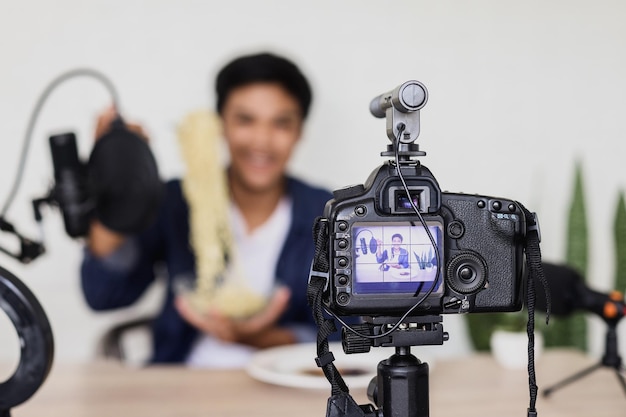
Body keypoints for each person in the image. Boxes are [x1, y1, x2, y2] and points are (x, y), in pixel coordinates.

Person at [81, 52, 331, 366]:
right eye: (245, 120)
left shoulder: (327, 213)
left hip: (282, 386)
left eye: (281, 123)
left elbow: (348, 332)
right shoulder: (176, 199)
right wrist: (120, 187)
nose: (262, 141)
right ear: (220, 125)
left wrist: (259, 338)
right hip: (182, 381)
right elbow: (103, 294)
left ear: (299, 131)